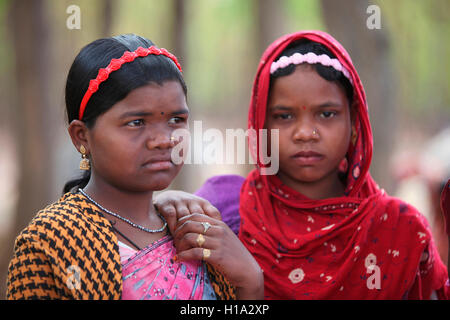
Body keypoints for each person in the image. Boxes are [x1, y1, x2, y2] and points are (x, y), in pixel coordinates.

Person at [154, 30, 449, 299]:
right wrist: (160, 207)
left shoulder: (400, 229)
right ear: (260, 125)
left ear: (355, 125)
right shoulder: (224, 208)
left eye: (327, 114)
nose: (306, 133)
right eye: (284, 116)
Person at [6, 34, 263, 300]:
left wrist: (251, 283)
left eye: (176, 119)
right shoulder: (50, 241)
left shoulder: (195, 229)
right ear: (82, 136)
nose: (164, 140)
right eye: (137, 122)